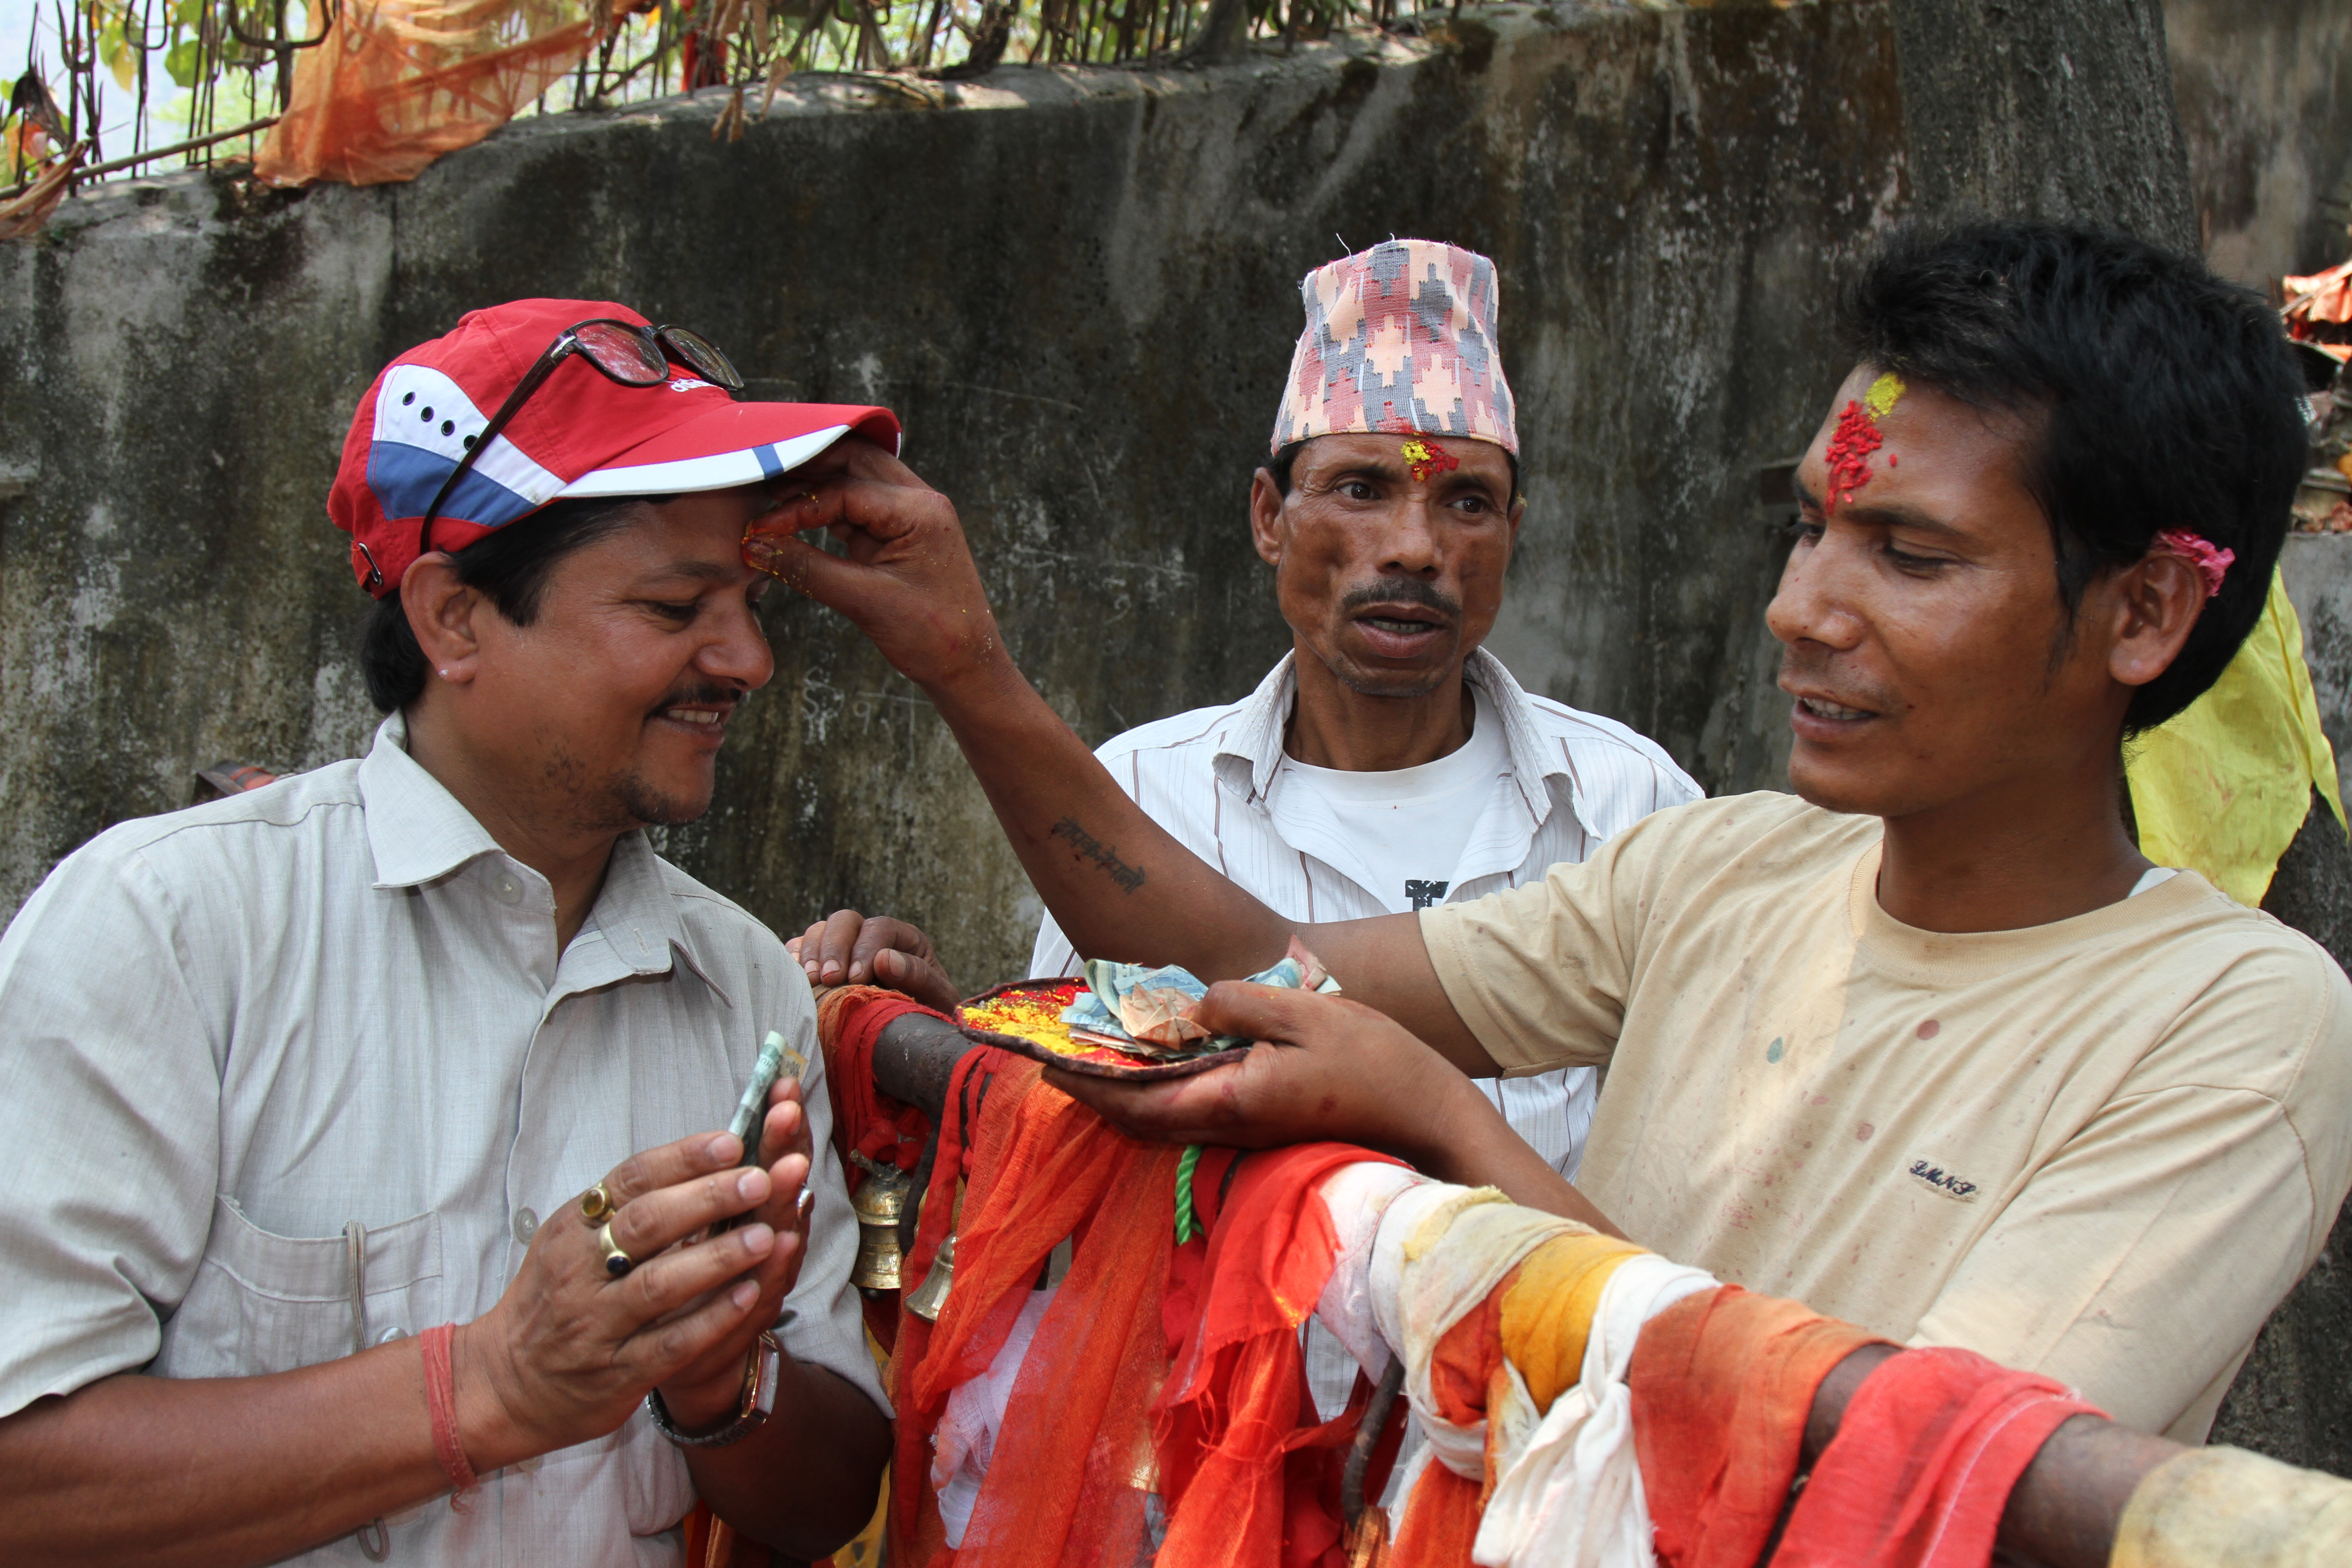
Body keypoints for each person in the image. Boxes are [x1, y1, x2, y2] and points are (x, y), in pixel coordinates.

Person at [764, 220, 2352, 1443]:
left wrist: (1452, 1135)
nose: (1800, 612)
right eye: (1805, 529)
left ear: (2143, 609)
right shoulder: (1724, 864)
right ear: (1267, 516)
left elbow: (1901, 1488)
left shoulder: (2237, 1028)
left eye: (1908, 553)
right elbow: (1272, 964)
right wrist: (964, 665)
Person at [0, 300, 896, 1564]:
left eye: (748, 601)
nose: (746, 657)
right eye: (672, 605)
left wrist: (720, 1387)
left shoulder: (741, 982)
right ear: (454, 620)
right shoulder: (168, 932)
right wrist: (484, 1389)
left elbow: (829, 1503)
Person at [1015, 240, 1699, 1197]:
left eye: (1468, 501)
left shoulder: (1637, 804)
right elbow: (1056, 1128)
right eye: (1362, 489)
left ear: (1514, 537)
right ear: (1269, 518)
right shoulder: (1139, 799)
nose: (1416, 548)